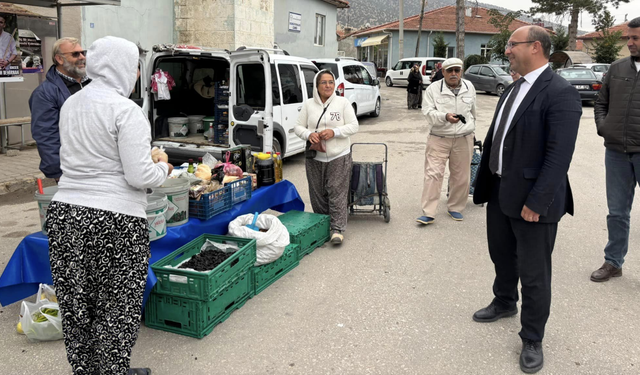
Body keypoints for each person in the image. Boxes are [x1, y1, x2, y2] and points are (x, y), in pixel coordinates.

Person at [46, 36, 173, 375]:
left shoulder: (72, 103)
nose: (135, 74)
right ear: (120, 67)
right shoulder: (125, 110)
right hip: (113, 220)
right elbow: (139, 175)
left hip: (66, 215)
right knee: (116, 309)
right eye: (133, 66)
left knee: (78, 307)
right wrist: (163, 167)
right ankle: (113, 370)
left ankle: (89, 371)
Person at [471, 26, 581, 373]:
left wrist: (538, 201)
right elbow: (498, 138)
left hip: (535, 200)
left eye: (511, 44)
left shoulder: (560, 93)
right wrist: (484, 181)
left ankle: (532, 336)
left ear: (535, 47)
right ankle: (504, 301)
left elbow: (558, 156)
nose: (506, 50)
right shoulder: (513, 87)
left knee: (534, 274)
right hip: (501, 192)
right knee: (501, 255)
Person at [591, 17, 640, 282]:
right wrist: (604, 127)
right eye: (629, 38)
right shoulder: (617, 67)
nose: (630, 42)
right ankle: (613, 262)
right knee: (617, 212)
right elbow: (601, 103)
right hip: (617, 152)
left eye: (635, 38)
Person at [294, 69, 359, 244]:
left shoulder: (342, 103)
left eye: (331, 82)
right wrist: (308, 134)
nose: (328, 85)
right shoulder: (308, 105)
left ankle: (337, 229)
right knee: (317, 193)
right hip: (315, 157)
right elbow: (298, 127)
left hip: (339, 155)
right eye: (324, 82)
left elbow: (354, 126)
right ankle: (323, 225)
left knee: (336, 191)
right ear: (317, 86)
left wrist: (335, 132)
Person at [416, 58, 476, 225]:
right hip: (439, 137)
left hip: (464, 138)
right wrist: (445, 117)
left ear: (461, 71)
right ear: (443, 72)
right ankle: (428, 212)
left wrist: (471, 129)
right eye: (450, 71)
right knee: (433, 174)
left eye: (457, 70)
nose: (454, 74)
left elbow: (473, 111)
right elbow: (427, 112)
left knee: (461, 176)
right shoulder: (433, 89)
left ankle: (455, 208)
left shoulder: (469, 87)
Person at [29, 37, 91, 181]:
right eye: (75, 54)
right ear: (60, 59)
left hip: (98, 165)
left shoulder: (92, 83)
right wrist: (58, 173)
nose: (82, 57)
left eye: (83, 53)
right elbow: (46, 136)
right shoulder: (45, 93)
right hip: (72, 171)